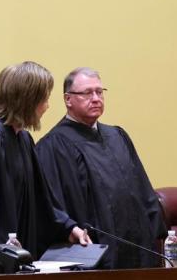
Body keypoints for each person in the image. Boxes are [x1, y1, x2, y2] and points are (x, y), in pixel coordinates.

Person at [0, 61, 90, 274]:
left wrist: (68, 228)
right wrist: (3, 256)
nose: (47, 106)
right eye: (44, 99)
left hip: (16, 261)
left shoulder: (23, 139)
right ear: (26, 100)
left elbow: (41, 201)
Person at [35, 68, 165, 268]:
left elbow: (143, 190)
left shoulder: (117, 136)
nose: (96, 98)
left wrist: (155, 232)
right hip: (92, 253)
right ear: (68, 99)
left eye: (99, 92)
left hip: (138, 250)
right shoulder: (53, 146)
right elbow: (50, 205)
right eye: (87, 93)